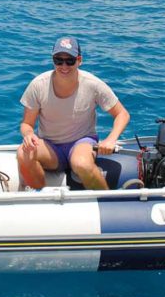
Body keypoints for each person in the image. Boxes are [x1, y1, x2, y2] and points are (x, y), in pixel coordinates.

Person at [17, 36, 130, 190]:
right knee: (22, 154)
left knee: (82, 164)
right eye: (58, 60)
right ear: (53, 60)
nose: (64, 65)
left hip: (81, 142)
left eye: (69, 60)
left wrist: (111, 140)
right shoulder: (38, 85)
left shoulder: (93, 84)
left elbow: (122, 114)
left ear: (79, 60)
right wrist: (29, 135)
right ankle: (38, 195)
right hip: (50, 147)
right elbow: (26, 124)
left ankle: (105, 201)